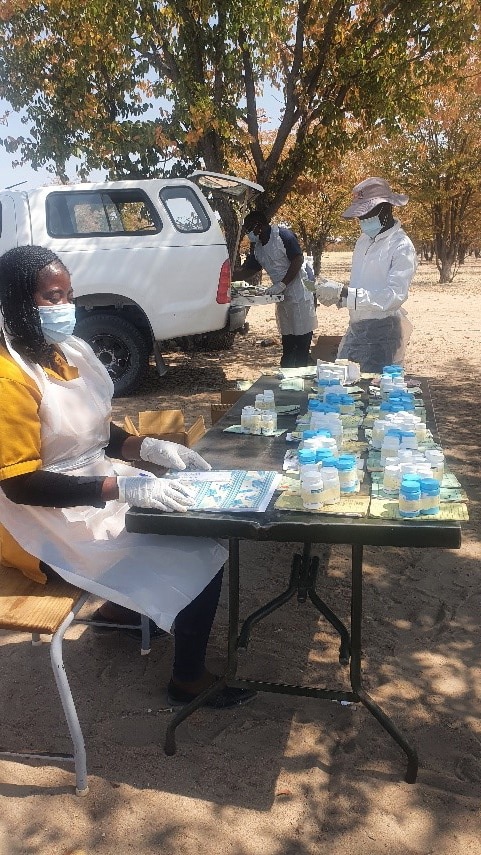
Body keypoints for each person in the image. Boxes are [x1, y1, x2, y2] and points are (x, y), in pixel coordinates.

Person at [0, 245, 255, 709]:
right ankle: (187, 679)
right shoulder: (8, 377)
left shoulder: (64, 352)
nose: (65, 309)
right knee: (197, 550)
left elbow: (92, 432)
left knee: (189, 512)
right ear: (17, 301)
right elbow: (19, 485)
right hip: (40, 524)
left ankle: (121, 611)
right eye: (52, 298)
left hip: (93, 486)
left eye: (69, 296)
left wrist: (148, 447)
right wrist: (125, 485)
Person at [313, 177, 417, 373]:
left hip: (384, 331)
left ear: (386, 208)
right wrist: (337, 297)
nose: (362, 219)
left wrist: (345, 294)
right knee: (347, 387)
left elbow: (393, 296)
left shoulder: (401, 246)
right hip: (357, 327)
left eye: (367, 213)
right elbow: (362, 284)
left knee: (373, 393)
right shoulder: (363, 240)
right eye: (359, 215)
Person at [232, 210, 318, 368]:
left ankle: (302, 371)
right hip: (282, 295)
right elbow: (248, 270)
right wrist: (226, 276)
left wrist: (282, 284)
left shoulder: (283, 236)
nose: (248, 234)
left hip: (300, 291)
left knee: (302, 340)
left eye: (249, 229)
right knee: (288, 339)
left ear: (259, 226)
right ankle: (287, 372)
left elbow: (297, 259)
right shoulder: (258, 247)